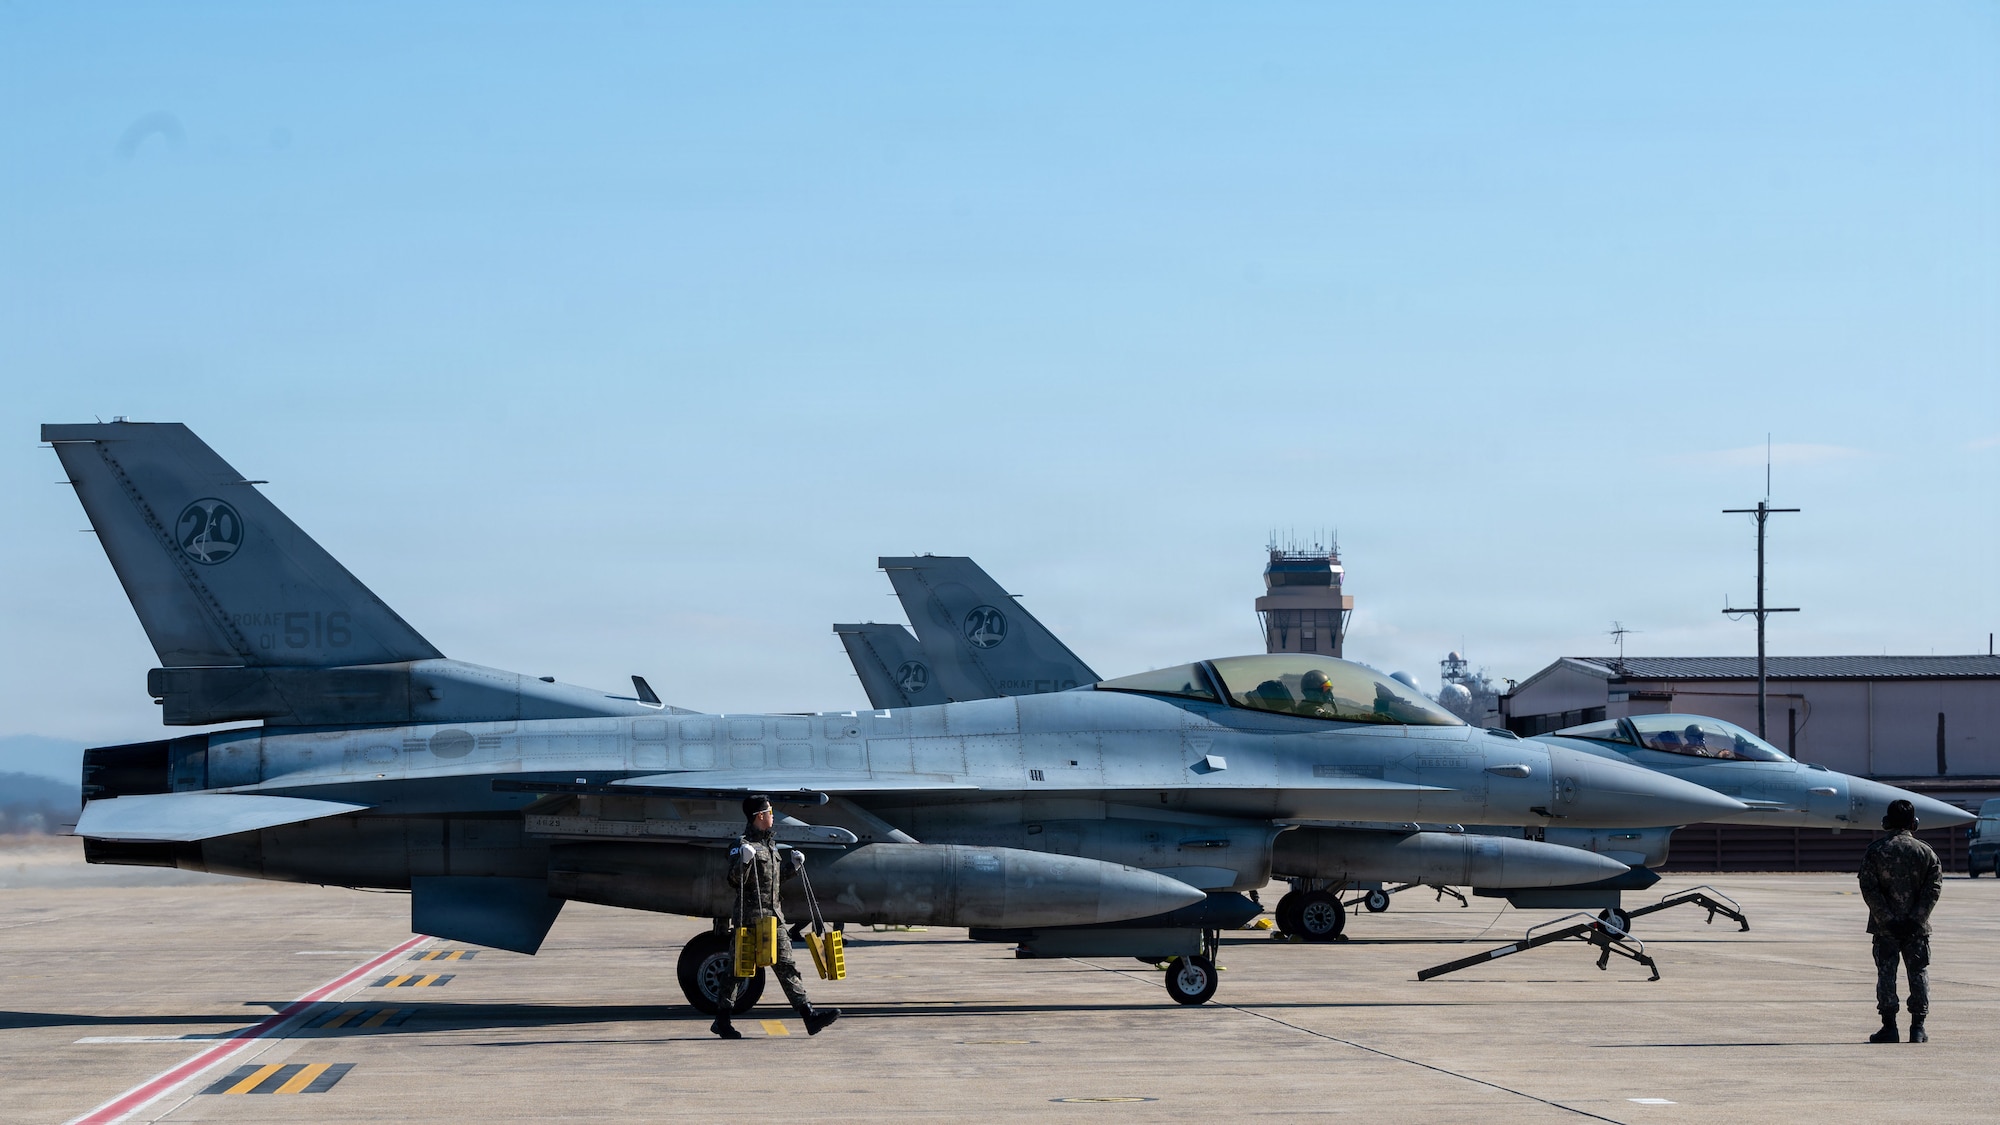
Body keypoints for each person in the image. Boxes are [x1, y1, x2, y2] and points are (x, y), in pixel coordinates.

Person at [711, 795, 841, 1039]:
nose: (773, 817)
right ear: (760, 816)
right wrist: (745, 862)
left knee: (785, 965)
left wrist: (793, 867)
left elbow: (773, 882)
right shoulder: (741, 845)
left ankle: (809, 1015)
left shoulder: (770, 846)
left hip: (773, 918)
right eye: (770, 812)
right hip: (749, 919)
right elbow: (734, 880)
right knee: (738, 971)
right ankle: (722, 1019)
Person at [1858, 798, 1943, 1044]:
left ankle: (1889, 1027)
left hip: (1886, 929)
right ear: (1914, 823)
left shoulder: (1876, 851)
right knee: (1918, 973)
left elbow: (1869, 888)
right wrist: (1916, 919)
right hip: (1917, 928)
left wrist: (1887, 919)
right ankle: (1918, 1028)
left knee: (1887, 974)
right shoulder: (1926, 852)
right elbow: (1933, 889)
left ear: (1886, 822)